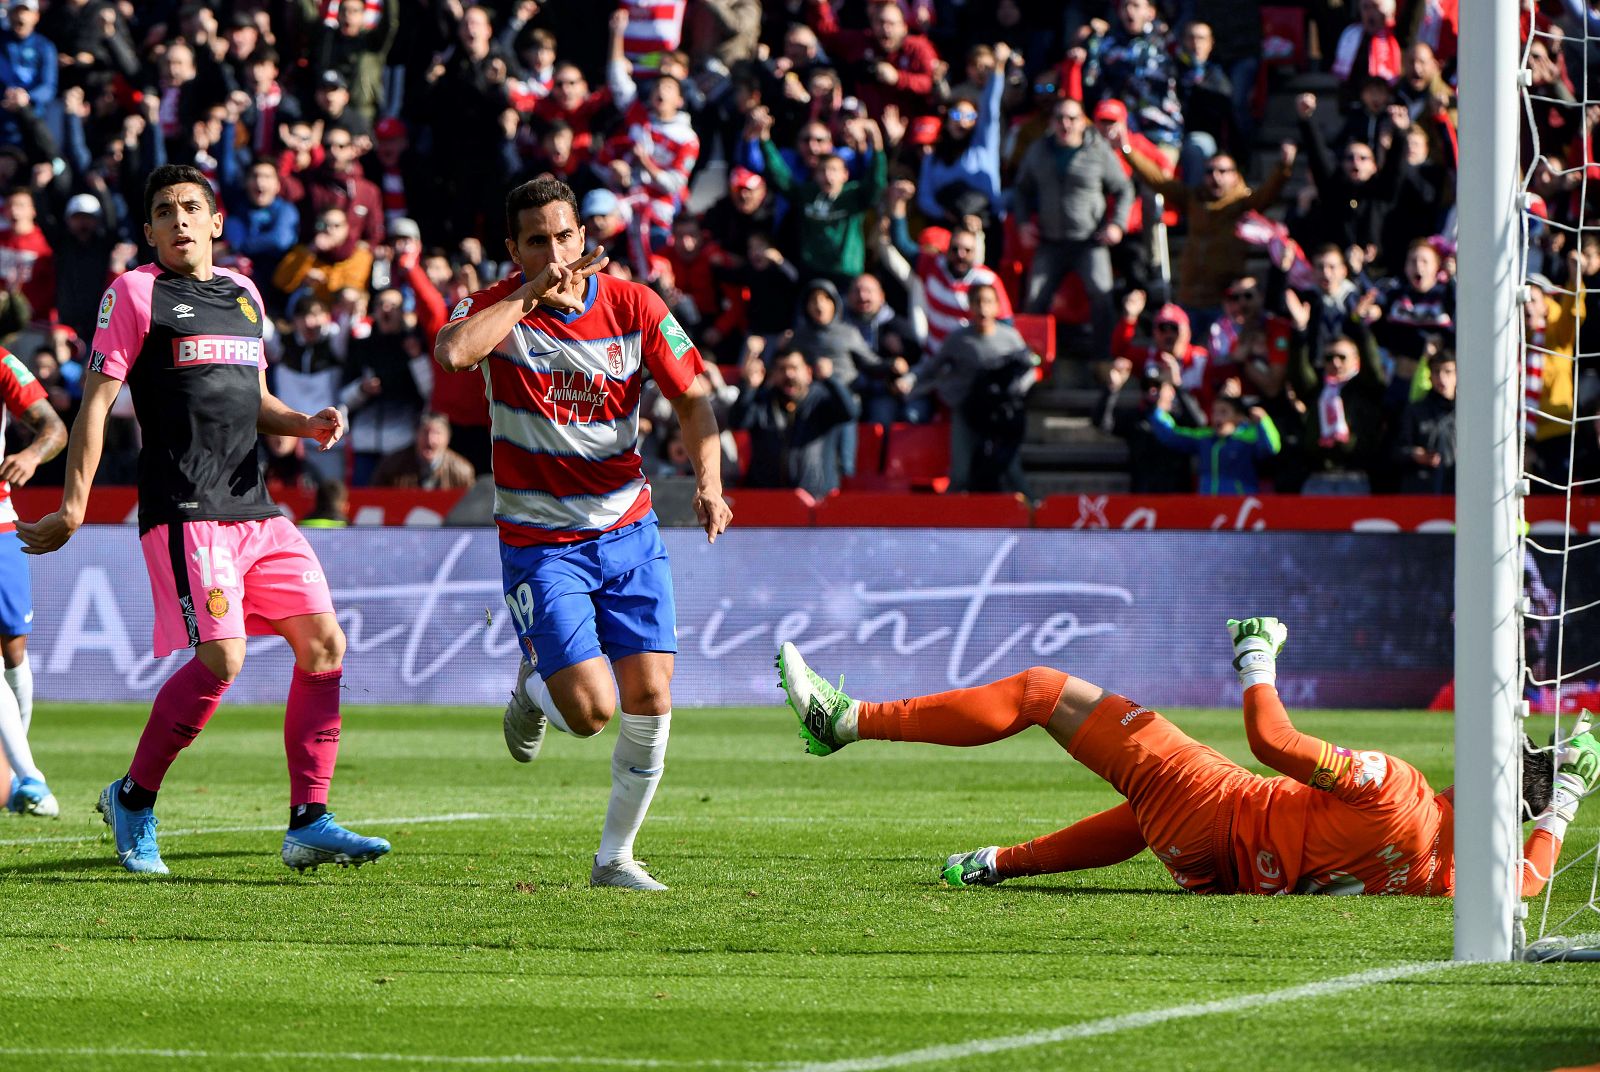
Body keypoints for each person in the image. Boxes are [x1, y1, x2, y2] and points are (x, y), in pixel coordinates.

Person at [17, 164, 391, 876]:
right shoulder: (133, 292)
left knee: (324, 645)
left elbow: (254, 399)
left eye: (192, 207)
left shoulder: (246, 294)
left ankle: (309, 820)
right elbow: (94, 405)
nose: (180, 219)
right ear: (151, 230)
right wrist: (73, 505)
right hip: (186, 507)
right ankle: (133, 798)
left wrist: (304, 424)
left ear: (216, 222)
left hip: (256, 507)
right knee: (223, 658)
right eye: (164, 211)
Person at [775, 618, 1599, 898]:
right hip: (1212, 863)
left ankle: (843, 719)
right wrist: (1562, 802)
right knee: (1149, 803)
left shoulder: (1405, 791)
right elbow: (1529, 884)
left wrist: (1256, 655)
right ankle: (997, 863)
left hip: (1215, 808)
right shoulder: (1451, 878)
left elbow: (1272, 741)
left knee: (1040, 690)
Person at [432, 177, 732, 891]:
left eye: (564, 237)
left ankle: (615, 858)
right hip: (540, 539)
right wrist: (526, 295)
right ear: (516, 249)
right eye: (537, 241)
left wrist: (710, 482)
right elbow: (451, 354)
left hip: (628, 527)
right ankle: (533, 689)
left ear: (583, 237)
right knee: (592, 713)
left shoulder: (634, 306)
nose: (556, 251)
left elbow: (694, 399)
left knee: (652, 697)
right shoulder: (499, 311)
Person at [0, 346, 66, 816]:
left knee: (13, 647)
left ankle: (16, 771)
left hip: (1, 522)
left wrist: (29, 454)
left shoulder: (3, 363)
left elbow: (54, 428)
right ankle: (30, 777)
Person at [730, 344, 859, 498]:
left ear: (808, 372)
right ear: (772, 374)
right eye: (782, 369)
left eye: (794, 368)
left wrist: (831, 379)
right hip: (767, 498)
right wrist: (749, 387)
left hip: (817, 499)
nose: (789, 375)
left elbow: (850, 412)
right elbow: (738, 422)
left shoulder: (822, 399)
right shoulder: (763, 400)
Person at [1148, 393, 1281, 495]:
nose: (1217, 417)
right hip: (1208, 508)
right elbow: (1172, 436)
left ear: (1239, 417)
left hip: (1241, 510)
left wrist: (1264, 422)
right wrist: (1159, 411)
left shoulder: (1249, 437)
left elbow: (1271, 448)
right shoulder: (1205, 437)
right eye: (1215, 412)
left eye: (1223, 412)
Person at [372, 412, 477, 490]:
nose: (430, 440)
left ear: (448, 438)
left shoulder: (461, 471)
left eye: (437, 433)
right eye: (425, 432)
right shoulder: (392, 466)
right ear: (416, 434)